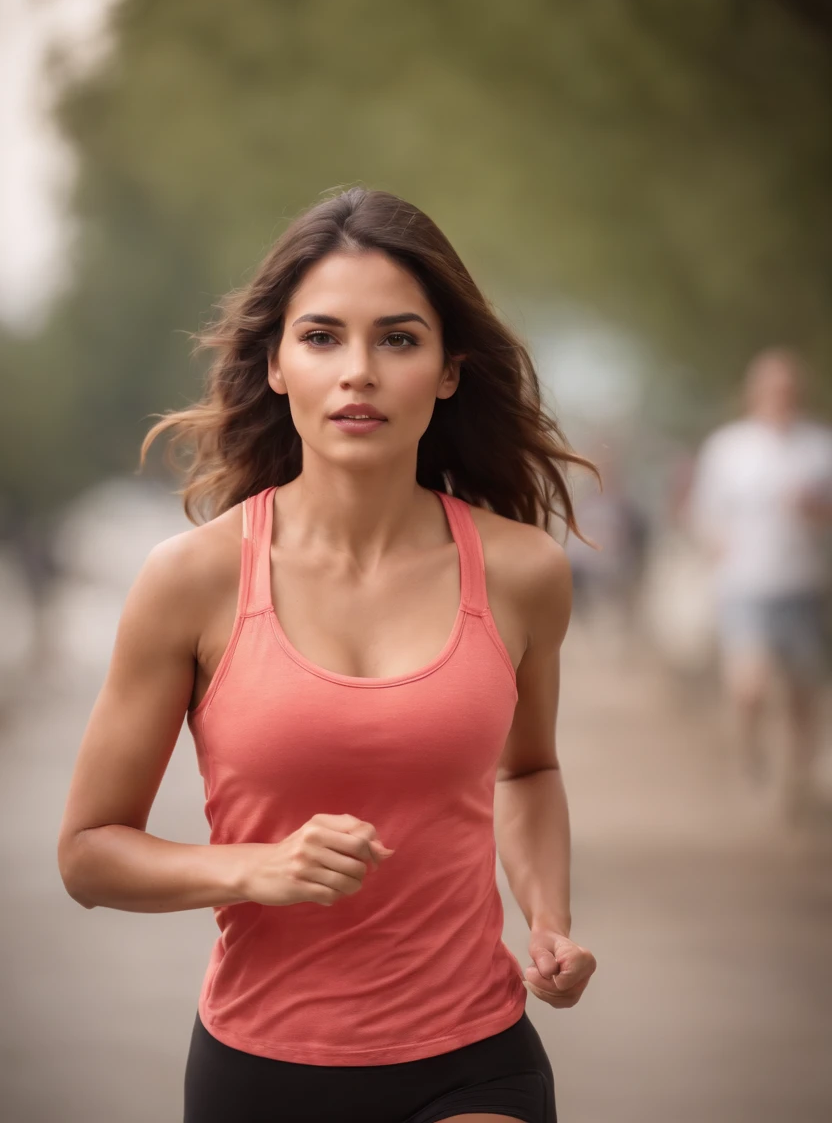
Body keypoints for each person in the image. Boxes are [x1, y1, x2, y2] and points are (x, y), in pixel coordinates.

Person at [57, 187, 598, 1123]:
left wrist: (547, 919)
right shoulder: (190, 580)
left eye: (397, 339)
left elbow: (532, 767)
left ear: (447, 372)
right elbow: (89, 854)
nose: (359, 372)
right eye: (321, 338)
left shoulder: (521, 572)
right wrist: (252, 868)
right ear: (274, 366)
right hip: (263, 1068)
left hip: (477, 1056)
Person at [688, 348, 832, 818]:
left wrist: (814, 511)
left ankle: (798, 783)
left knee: (801, 692)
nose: (780, 395)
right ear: (755, 392)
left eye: (787, 387)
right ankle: (751, 753)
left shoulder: (819, 447)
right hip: (745, 586)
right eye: (772, 387)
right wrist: (717, 545)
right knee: (748, 687)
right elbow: (702, 513)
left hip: (803, 585)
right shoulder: (729, 447)